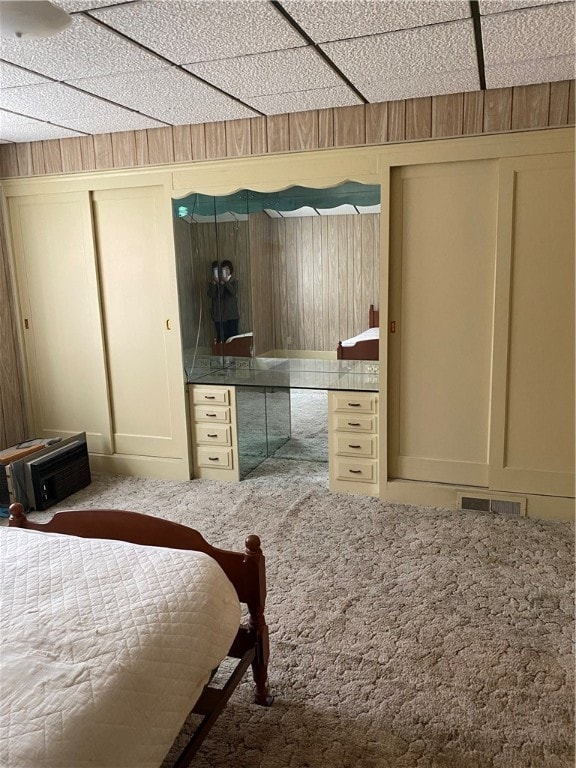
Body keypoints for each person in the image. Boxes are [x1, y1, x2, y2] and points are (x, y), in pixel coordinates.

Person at [207, 259, 240, 342]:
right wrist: (215, 283)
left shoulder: (234, 281)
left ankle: (233, 354)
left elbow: (233, 292)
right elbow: (212, 295)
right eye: (223, 270)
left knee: (233, 338)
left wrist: (226, 282)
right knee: (222, 337)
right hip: (220, 316)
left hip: (232, 315)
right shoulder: (215, 283)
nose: (226, 271)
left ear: (231, 270)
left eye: (227, 269)